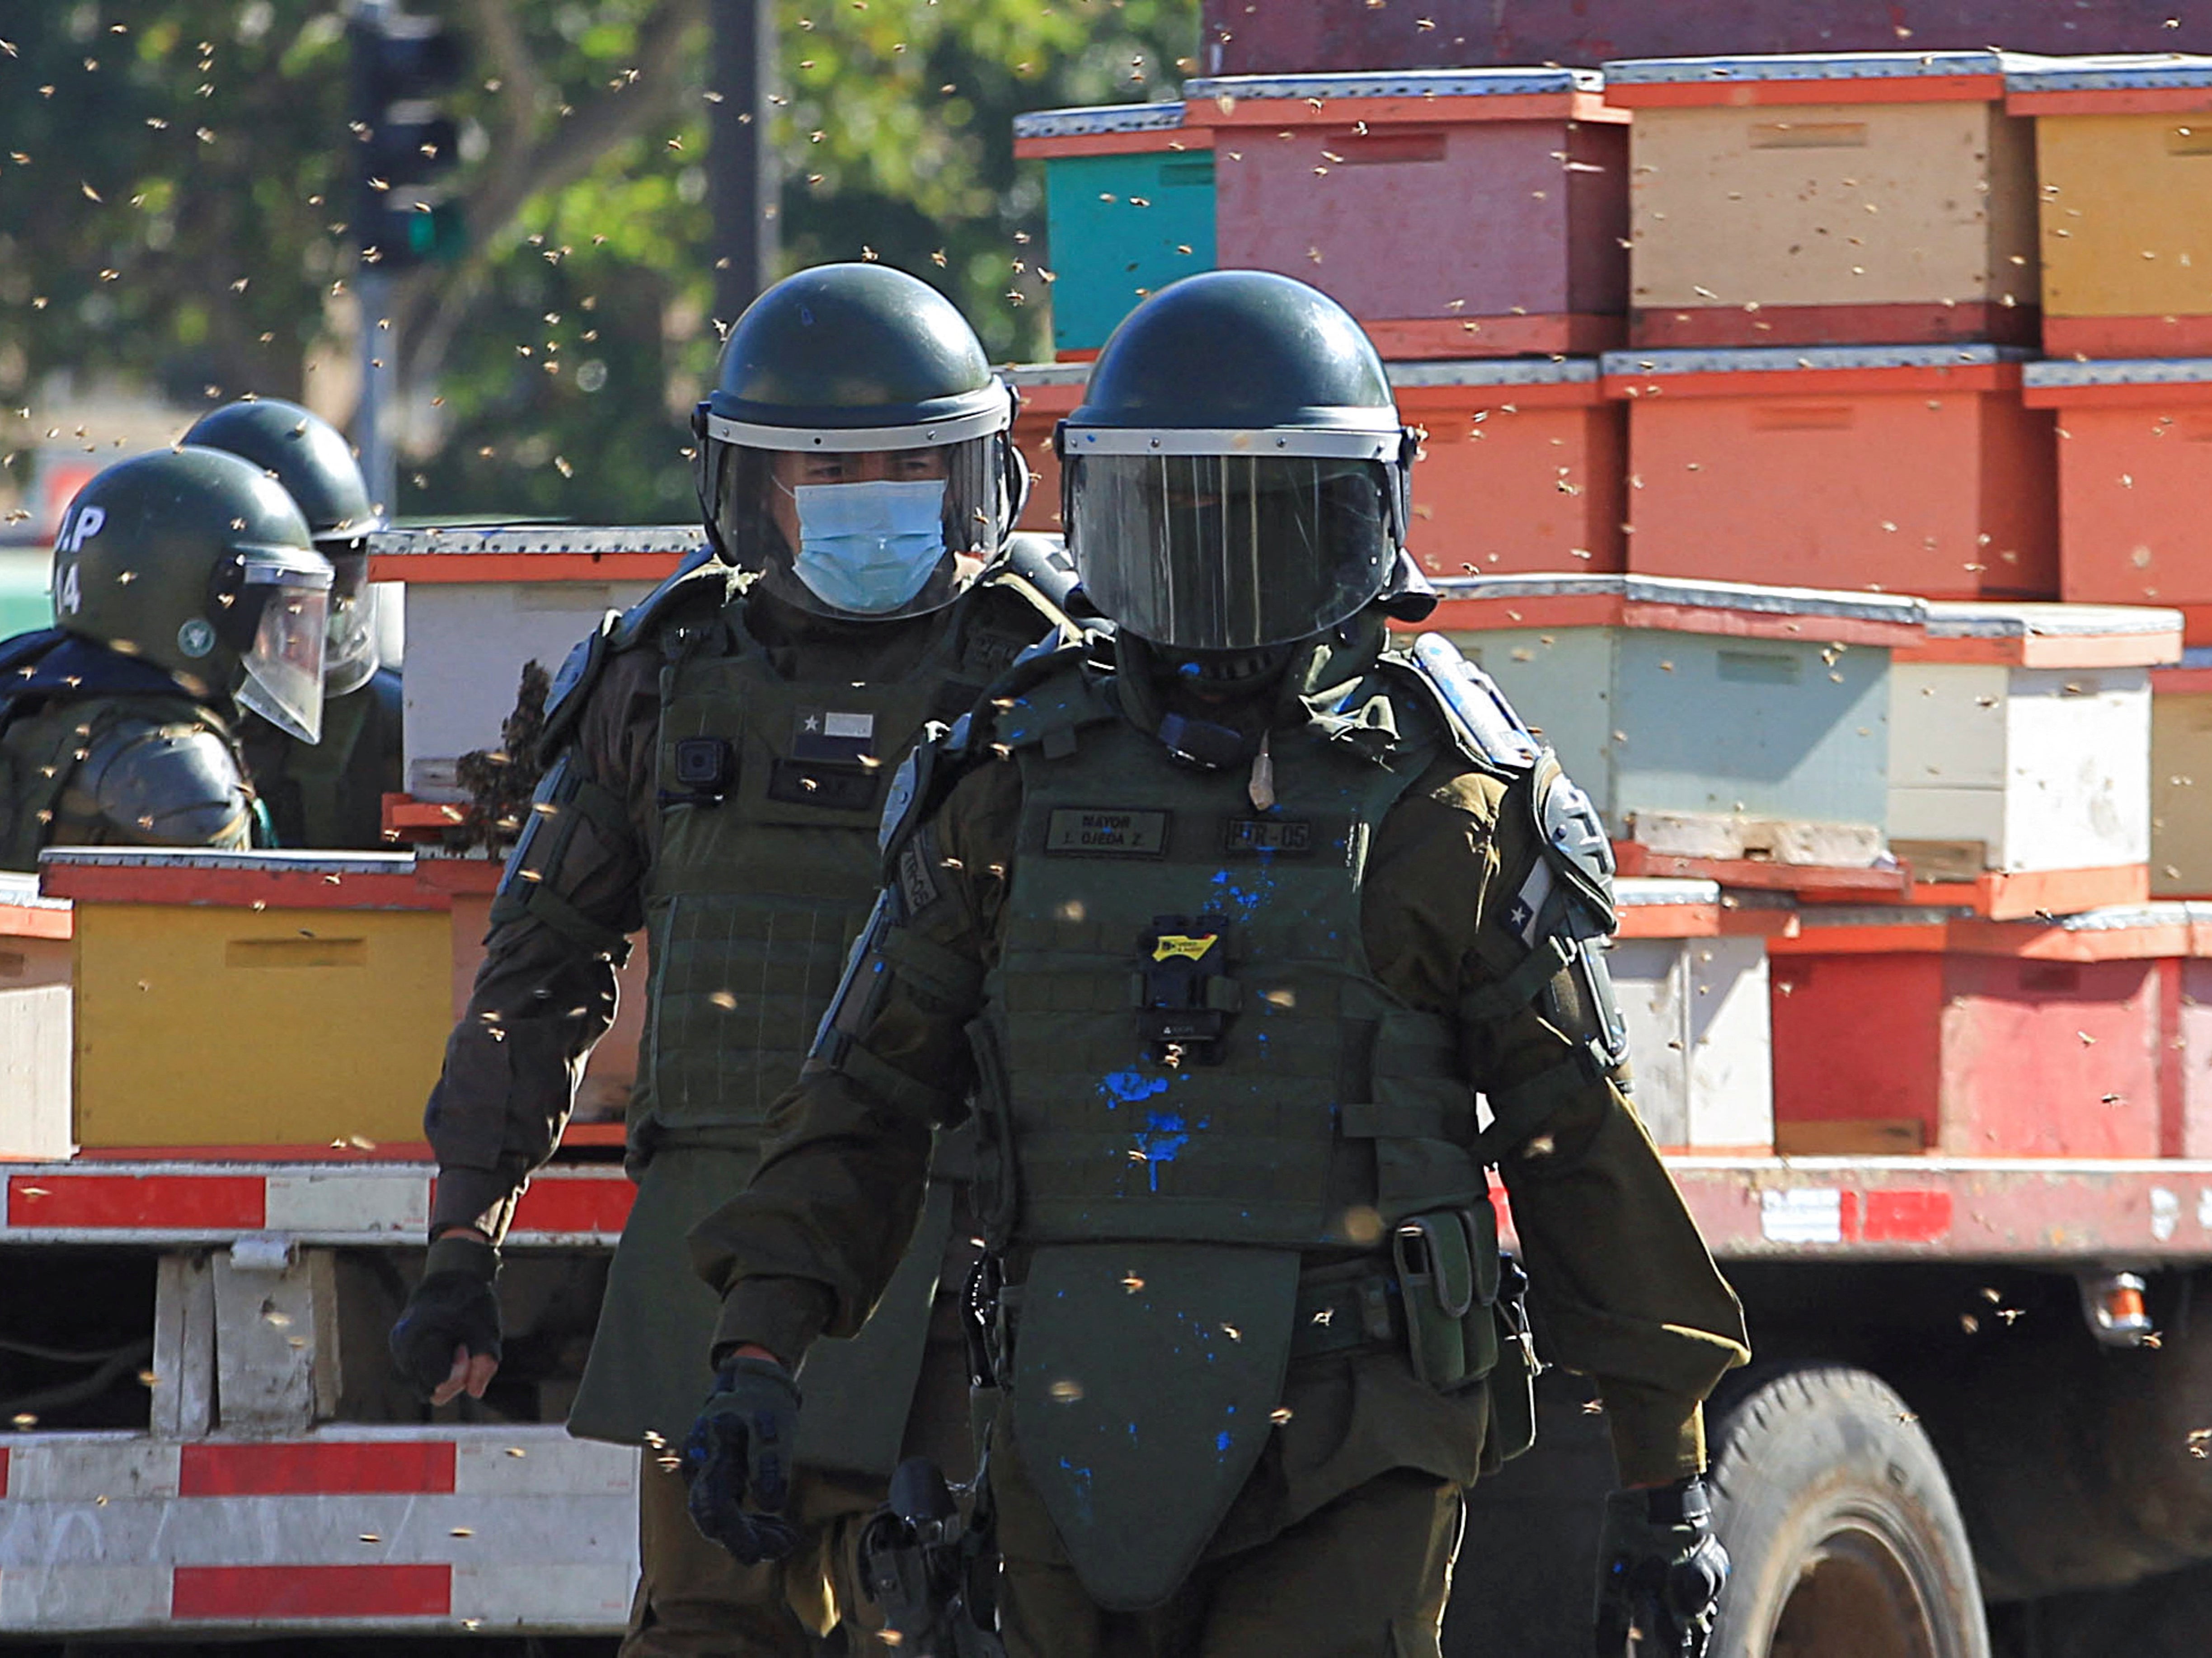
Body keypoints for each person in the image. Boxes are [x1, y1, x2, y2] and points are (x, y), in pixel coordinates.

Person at [682, 270, 1752, 1658]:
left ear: (1346, 522)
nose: (1217, 570)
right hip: (1073, 1405)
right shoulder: (1010, 780)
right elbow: (862, 1096)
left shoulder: (1444, 804)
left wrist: (1665, 1483)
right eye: (1177, 518)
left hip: (1355, 1427)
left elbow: (1577, 1149)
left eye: (1256, 521)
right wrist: (757, 1351)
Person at [385, 263, 1083, 1656]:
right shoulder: (661, 671)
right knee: (709, 1625)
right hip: (709, 1254)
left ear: (970, 472)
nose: (862, 492)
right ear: (750, 480)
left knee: (956, 1619)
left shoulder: (1048, 678)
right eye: (823, 465)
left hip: (971, 1266)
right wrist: (465, 1235)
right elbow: (540, 964)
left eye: (900, 462)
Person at [0, 446, 332, 869]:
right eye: (265, 607)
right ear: (190, 600)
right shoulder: (176, 767)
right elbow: (222, 931)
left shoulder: (36, 702)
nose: (275, 639)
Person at [184, 398, 402, 850]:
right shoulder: (142, 731)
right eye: (292, 604)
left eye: (340, 595)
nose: (316, 631)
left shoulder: (389, 728)